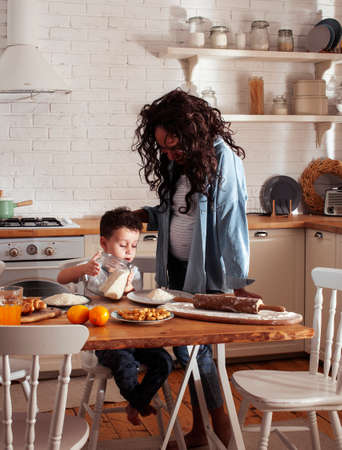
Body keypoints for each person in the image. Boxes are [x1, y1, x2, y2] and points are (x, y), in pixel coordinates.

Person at [131, 89, 259, 448]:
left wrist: (236, 281)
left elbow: (232, 222)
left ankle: (219, 427)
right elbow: (176, 212)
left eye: (174, 147)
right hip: (176, 272)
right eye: (164, 149)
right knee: (186, 353)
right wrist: (144, 215)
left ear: (192, 132)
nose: (168, 155)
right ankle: (206, 427)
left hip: (205, 275)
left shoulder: (222, 158)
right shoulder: (179, 163)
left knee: (198, 352)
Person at [57, 207, 173, 426]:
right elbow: (61, 277)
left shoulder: (132, 272)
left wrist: (129, 291)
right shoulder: (94, 269)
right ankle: (139, 401)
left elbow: (130, 306)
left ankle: (136, 402)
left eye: (134, 245)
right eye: (123, 245)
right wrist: (82, 268)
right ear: (104, 243)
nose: (129, 251)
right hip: (102, 341)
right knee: (125, 364)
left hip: (132, 336)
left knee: (164, 361)